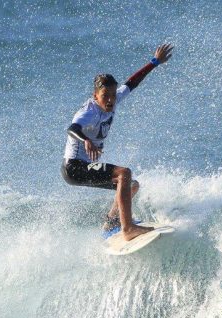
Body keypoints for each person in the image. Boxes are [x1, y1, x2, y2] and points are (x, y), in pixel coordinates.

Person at [62, 43, 174, 241]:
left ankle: (111, 222)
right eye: (105, 96)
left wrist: (154, 62)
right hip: (73, 168)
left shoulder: (113, 100)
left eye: (113, 95)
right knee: (124, 173)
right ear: (95, 96)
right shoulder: (88, 112)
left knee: (131, 185)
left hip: (83, 166)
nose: (111, 100)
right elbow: (72, 128)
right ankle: (128, 228)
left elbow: (132, 82)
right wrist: (86, 140)